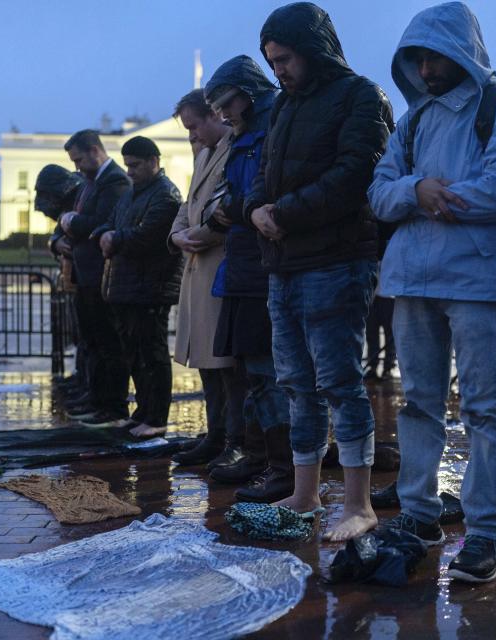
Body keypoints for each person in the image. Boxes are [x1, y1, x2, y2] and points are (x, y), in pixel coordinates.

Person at [368, 2, 496, 583]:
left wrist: (430, 198)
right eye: (416, 57)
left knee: (486, 410)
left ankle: (487, 534)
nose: (424, 67)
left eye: (433, 55)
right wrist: (419, 190)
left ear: (461, 52)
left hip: (474, 282)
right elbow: (379, 193)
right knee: (418, 404)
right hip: (412, 281)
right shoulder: (413, 121)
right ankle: (420, 514)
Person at [244, 2, 393, 541]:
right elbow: (263, 173)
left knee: (340, 382)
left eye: (283, 58)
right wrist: (255, 209)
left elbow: (358, 174)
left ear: (312, 49)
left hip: (337, 261)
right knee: (296, 385)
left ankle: (358, 504)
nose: (277, 69)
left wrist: (284, 213)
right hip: (283, 264)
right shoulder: (283, 106)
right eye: (270, 60)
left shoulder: (360, 96)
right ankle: (306, 494)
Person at [202, 55, 296, 501]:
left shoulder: (274, 124)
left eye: (227, 102)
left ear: (249, 95)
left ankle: (281, 464)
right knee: (249, 369)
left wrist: (232, 209)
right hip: (242, 265)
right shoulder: (243, 136)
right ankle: (260, 456)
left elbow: (261, 193)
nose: (222, 113)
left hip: (261, 266)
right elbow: (231, 196)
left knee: (267, 370)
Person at [168, 90, 248, 469]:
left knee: (225, 362)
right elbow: (188, 206)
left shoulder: (235, 148)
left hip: (220, 265)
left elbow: (226, 209)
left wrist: (192, 237)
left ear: (215, 115)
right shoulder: (203, 155)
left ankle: (235, 439)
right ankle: (215, 434)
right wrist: (176, 235)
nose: (191, 135)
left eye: (194, 126)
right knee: (206, 361)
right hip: (199, 266)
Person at [99, 136, 184, 439]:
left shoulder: (165, 195)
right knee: (135, 353)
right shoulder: (133, 193)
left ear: (153, 162)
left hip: (151, 287)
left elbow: (147, 236)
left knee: (152, 354)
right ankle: (143, 412)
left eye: (135, 165)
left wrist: (115, 239)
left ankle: (156, 416)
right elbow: (111, 222)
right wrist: (105, 234)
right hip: (128, 286)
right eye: (127, 165)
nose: (130, 171)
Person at [58, 130, 131, 428]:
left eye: (78, 159)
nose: (76, 167)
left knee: (107, 344)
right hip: (85, 274)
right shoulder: (90, 183)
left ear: (94, 151)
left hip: (101, 275)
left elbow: (102, 223)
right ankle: (95, 398)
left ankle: (111, 405)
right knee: (92, 341)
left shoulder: (113, 182)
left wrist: (72, 222)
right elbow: (71, 218)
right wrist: (63, 230)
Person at [33, 165, 86, 394]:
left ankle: (89, 385)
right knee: (79, 335)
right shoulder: (71, 199)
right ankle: (82, 378)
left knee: (90, 338)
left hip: (87, 275)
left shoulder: (84, 192)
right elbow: (57, 233)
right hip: (73, 277)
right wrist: (56, 243)